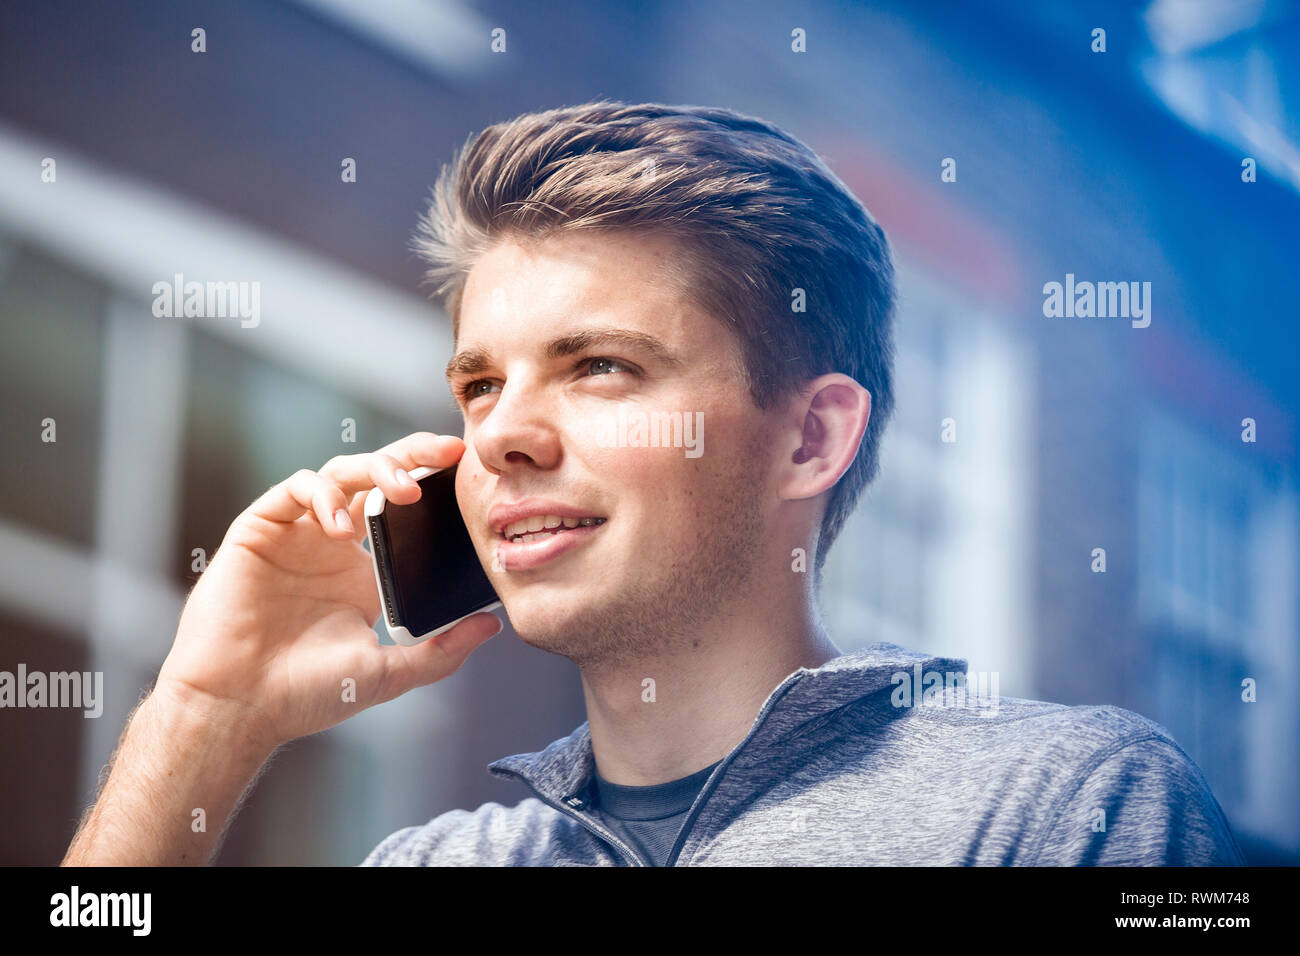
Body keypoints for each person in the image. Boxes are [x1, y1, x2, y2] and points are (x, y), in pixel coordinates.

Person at [63, 100, 1245, 867]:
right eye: (480, 384)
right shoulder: (442, 861)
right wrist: (206, 717)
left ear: (809, 439)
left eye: (600, 367)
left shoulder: (1069, 806)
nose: (501, 435)